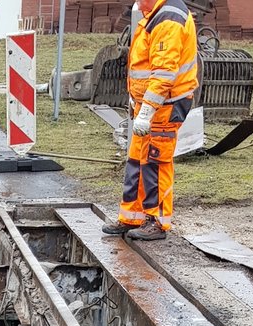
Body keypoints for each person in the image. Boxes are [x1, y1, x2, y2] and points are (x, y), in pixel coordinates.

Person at [102, 0, 198, 241]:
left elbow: (164, 73)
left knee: (156, 160)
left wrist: (147, 110)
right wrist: (139, 102)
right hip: (152, 104)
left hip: (165, 105)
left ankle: (157, 221)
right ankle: (132, 217)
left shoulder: (168, 18)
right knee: (137, 160)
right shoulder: (155, 13)